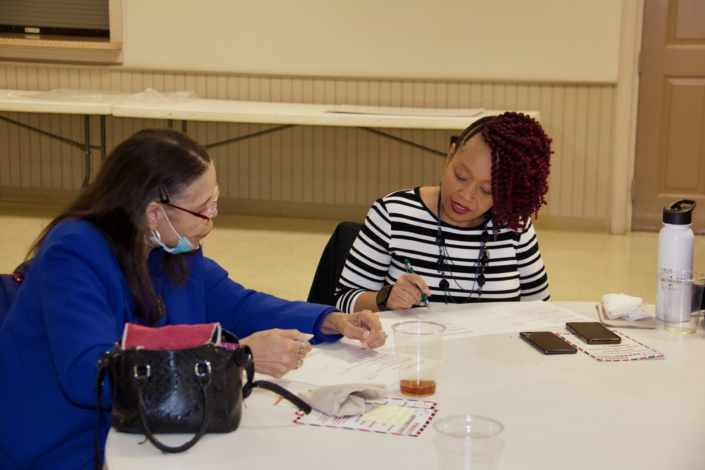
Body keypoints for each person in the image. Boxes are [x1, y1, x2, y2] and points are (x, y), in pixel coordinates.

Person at [0, 129, 386, 470]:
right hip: (67, 442)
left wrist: (330, 320)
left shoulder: (170, 247)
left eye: (214, 201)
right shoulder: (75, 251)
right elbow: (92, 375)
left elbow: (239, 304)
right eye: (202, 209)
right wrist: (229, 359)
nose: (212, 219)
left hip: (148, 426)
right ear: (153, 213)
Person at [335, 112, 551, 313]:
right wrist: (386, 298)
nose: (466, 195)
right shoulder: (393, 214)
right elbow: (343, 300)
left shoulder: (515, 228)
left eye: (486, 190)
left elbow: (541, 313)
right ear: (449, 157)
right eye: (460, 176)